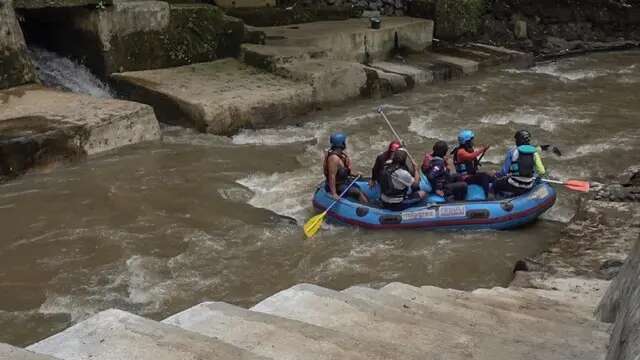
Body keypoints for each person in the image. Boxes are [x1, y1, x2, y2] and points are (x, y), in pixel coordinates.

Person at [494, 130, 546, 196]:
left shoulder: (512, 152)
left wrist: (497, 175)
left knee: (496, 184)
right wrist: (538, 178)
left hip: (513, 184)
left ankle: (494, 200)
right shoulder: (535, 153)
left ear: (518, 140)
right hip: (528, 185)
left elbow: (504, 172)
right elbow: (542, 171)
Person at [324, 132, 368, 203]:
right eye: (344, 141)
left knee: (360, 190)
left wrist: (355, 174)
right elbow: (332, 176)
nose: (345, 143)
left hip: (343, 181)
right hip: (337, 185)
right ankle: (367, 206)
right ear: (341, 144)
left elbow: (345, 171)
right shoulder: (334, 159)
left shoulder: (341, 155)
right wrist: (334, 194)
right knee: (357, 192)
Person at [452, 129, 493, 196]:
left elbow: (473, 159)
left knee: (491, 176)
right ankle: (486, 196)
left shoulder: (469, 149)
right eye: (471, 140)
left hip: (471, 176)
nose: (472, 142)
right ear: (466, 141)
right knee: (483, 176)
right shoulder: (460, 152)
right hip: (464, 178)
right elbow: (470, 156)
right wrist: (482, 149)